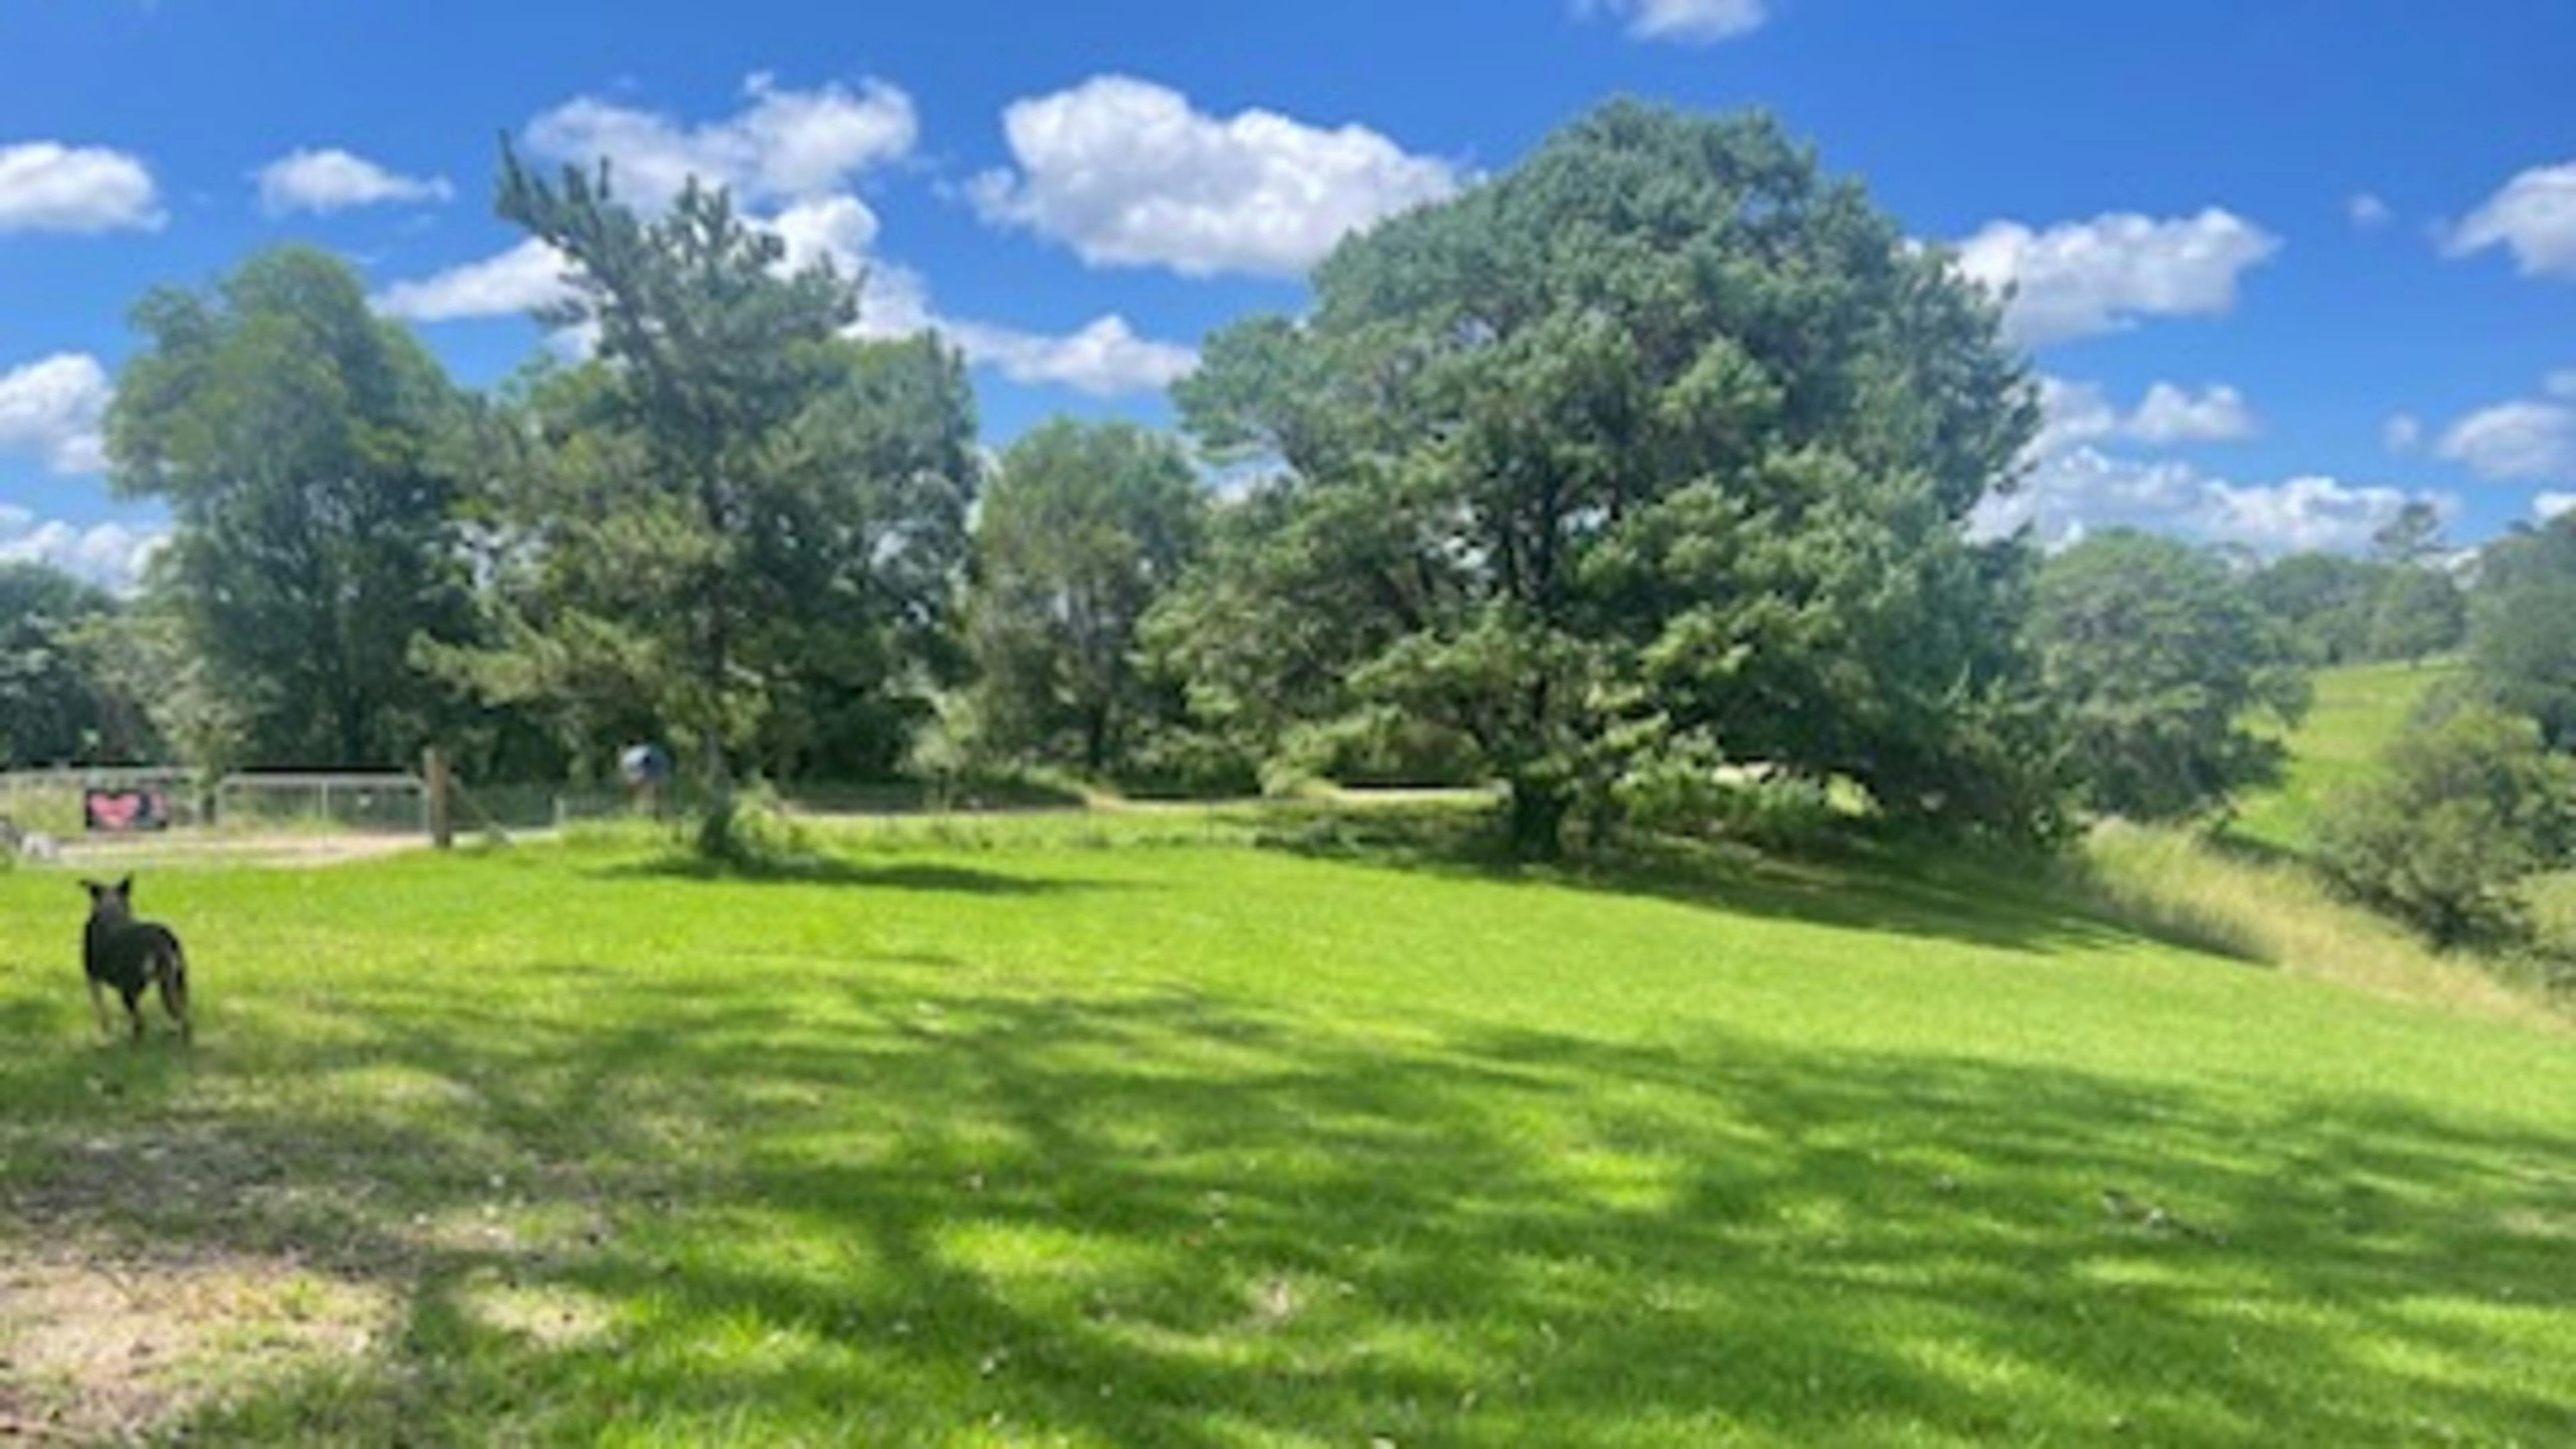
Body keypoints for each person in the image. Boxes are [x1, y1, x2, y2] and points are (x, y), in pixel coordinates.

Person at [619, 742, 672, 818]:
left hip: (643, 764)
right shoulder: (655, 753)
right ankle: (656, 811)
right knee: (655, 791)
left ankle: (642, 811)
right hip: (656, 763)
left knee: (646, 790)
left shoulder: (627, 757)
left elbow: (630, 779)